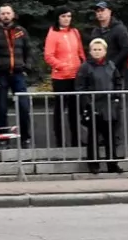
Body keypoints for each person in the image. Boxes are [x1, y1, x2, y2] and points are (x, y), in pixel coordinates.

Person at [75, 37, 122, 174]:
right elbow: (80, 87)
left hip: (109, 106)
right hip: (93, 106)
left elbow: (118, 82)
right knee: (93, 137)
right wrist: (87, 103)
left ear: (105, 51)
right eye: (94, 49)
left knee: (111, 137)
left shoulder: (111, 65)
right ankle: (94, 164)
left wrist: (116, 98)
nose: (97, 52)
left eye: (99, 49)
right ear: (90, 51)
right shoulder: (85, 67)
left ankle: (112, 164)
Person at [44, 6, 84, 147]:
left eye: (68, 16)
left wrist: (84, 67)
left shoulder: (75, 32)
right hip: (60, 77)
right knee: (60, 110)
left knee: (75, 110)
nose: (66, 19)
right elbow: (48, 56)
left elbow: (80, 52)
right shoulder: (53, 33)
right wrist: (63, 66)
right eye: (63, 16)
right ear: (58, 18)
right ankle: (60, 141)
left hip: (75, 76)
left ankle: (75, 140)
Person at [0, 5, 31, 148]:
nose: (6, 16)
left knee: (23, 107)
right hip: (0, 73)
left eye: (8, 13)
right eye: (3, 13)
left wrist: (27, 67)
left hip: (18, 73)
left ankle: (25, 137)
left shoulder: (21, 31)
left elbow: (29, 50)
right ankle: (2, 138)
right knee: (0, 108)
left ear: (13, 14)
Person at [88, 1, 128, 86]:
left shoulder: (119, 29)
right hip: (99, 71)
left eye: (102, 10)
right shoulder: (95, 31)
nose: (100, 13)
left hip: (118, 72)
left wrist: (113, 64)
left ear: (109, 12)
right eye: (97, 11)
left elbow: (127, 48)